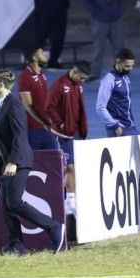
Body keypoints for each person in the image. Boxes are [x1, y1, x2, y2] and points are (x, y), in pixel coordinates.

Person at [0, 69, 65, 255]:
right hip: (6, 162)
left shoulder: (14, 104)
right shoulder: (2, 105)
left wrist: (14, 162)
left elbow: (20, 134)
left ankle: (53, 227)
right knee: (7, 206)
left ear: (0, 84)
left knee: (14, 202)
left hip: (18, 161)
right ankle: (16, 246)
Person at [46, 61, 90, 217]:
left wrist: (83, 128)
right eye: (82, 77)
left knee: (74, 167)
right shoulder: (60, 84)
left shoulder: (78, 86)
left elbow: (79, 109)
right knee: (68, 167)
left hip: (76, 132)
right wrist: (61, 124)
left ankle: (71, 197)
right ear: (75, 71)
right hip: (63, 134)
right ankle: (69, 202)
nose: (83, 81)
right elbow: (49, 106)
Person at [81, 0, 125, 82]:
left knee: (119, 47)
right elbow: (86, 0)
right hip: (100, 21)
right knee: (98, 48)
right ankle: (95, 73)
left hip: (115, 19)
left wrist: (119, 10)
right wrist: (97, 13)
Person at [17, 46, 58, 150]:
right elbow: (28, 105)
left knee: (54, 161)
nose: (45, 55)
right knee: (35, 162)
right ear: (35, 58)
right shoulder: (25, 77)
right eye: (42, 53)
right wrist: (43, 121)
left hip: (45, 128)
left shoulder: (41, 75)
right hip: (32, 129)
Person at [96, 49, 139, 137]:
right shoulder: (108, 80)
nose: (130, 69)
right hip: (118, 128)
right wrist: (115, 126)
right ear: (118, 61)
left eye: (132, 66)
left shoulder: (125, 77)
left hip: (130, 126)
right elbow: (100, 107)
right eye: (127, 66)